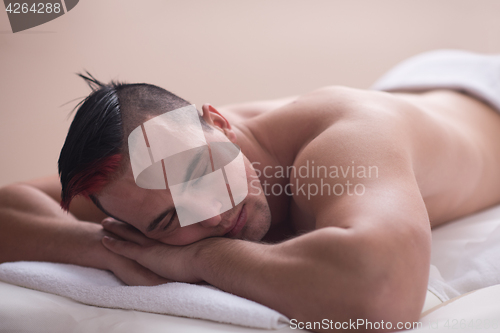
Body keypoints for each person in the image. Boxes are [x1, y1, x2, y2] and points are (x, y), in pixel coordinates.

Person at [2, 49, 500, 332]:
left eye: (200, 170)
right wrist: (111, 250)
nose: (211, 214)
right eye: (167, 222)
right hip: (415, 95)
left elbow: (382, 296)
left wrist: (199, 259)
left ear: (218, 123)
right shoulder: (146, 171)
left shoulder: (339, 142)